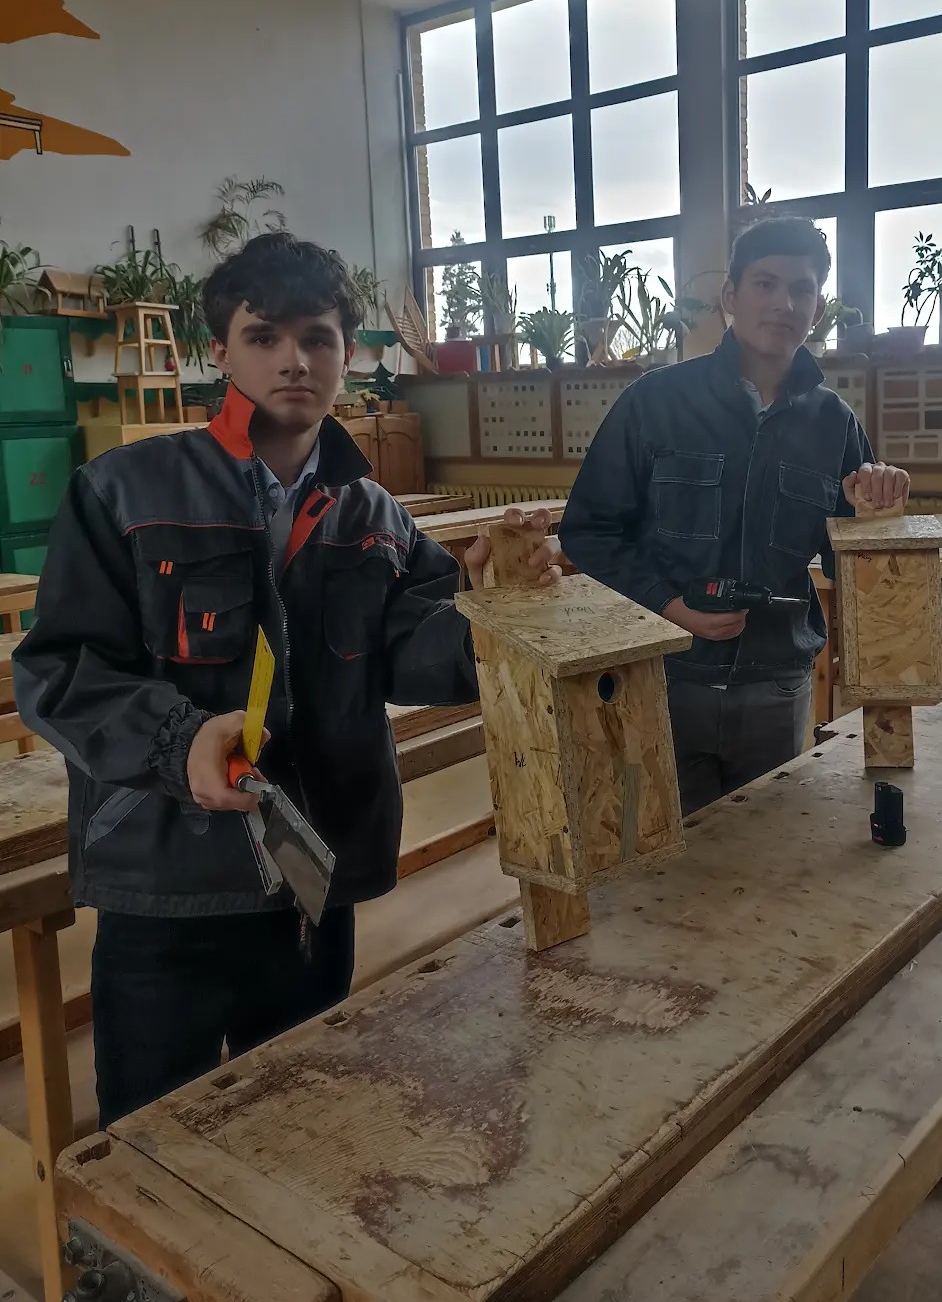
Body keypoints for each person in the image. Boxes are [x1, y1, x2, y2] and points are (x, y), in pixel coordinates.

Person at [14, 231, 560, 1133]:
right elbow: (61, 668)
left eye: (318, 338)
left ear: (348, 356)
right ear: (219, 352)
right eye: (264, 336)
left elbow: (418, 654)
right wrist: (178, 741)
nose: (294, 361)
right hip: (169, 882)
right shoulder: (124, 490)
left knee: (298, 1127)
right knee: (156, 1146)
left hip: (315, 876)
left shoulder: (372, 513)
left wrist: (489, 607)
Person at [558, 215, 908, 816]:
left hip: (776, 686)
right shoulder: (656, 402)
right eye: (765, 284)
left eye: (801, 289)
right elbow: (588, 530)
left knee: (764, 849)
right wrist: (669, 605)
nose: (784, 303)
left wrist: (876, 515)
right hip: (664, 676)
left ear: (817, 307)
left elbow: (849, 564)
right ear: (730, 296)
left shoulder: (834, 423)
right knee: (668, 850)